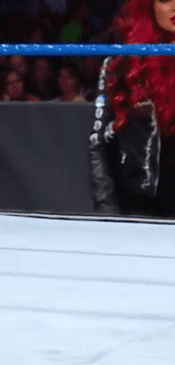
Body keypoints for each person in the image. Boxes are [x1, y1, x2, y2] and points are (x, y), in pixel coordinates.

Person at [89, 0, 175, 217]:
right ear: (148, 6)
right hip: (137, 208)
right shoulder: (120, 66)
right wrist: (107, 210)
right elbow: (99, 144)